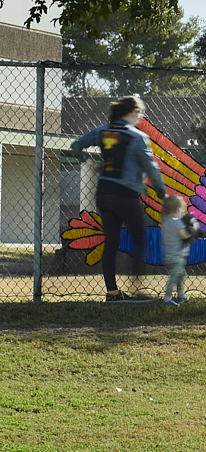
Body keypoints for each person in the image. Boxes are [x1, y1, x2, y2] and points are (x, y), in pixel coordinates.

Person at [69, 95, 166, 303]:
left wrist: (91, 163)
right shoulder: (137, 137)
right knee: (140, 240)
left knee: (111, 242)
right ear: (132, 112)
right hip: (126, 194)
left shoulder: (103, 131)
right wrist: (161, 192)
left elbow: (76, 146)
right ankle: (138, 291)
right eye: (139, 114)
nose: (140, 118)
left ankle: (112, 293)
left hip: (104, 192)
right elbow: (151, 168)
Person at [157, 193, 202, 306]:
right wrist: (195, 227)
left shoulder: (166, 222)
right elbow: (185, 235)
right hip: (178, 256)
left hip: (169, 255)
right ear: (177, 210)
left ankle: (181, 294)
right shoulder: (176, 222)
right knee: (173, 278)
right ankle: (167, 299)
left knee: (180, 274)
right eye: (182, 211)